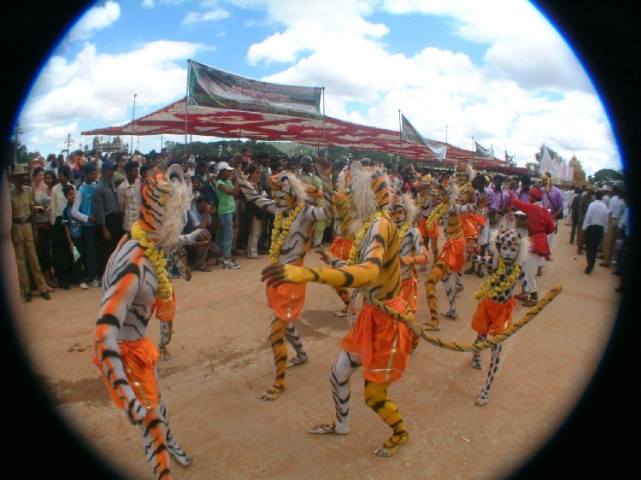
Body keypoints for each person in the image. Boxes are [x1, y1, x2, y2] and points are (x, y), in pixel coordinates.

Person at [261, 164, 414, 458]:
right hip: (370, 316)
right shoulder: (371, 225)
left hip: (386, 322)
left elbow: (368, 273)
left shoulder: (381, 225)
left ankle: (400, 432)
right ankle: (341, 424)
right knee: (337, 374)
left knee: (374, 396)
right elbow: (362, 268)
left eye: (350, 191)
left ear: (365, 196)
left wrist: (309, 274)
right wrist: (335, 262)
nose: (346, 197)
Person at [93, 163, 211, 480]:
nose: (184, 217)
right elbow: (104, 334)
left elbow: (163, 241)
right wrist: (128, 397)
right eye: (179, 213)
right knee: (152, 422)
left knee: (158, 403)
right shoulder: (133, 267)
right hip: (125, 355)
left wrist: (189, 238)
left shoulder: (146, 239)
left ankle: (170, 443)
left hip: (141, 347)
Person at [237, 157, 335, 401]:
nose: (278, 198)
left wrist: (325, 178)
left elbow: (330, 211)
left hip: (293, 277)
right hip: (276, 276)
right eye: (276, 193)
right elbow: (252, 196)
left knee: (275, 331)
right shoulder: (279, 211)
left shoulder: (306, 214)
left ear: (293, 194)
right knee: (284, 320)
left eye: (283, 193)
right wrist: (238, 172)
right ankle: (301, 354)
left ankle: (279, 383)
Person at [466, 228, 529, 406]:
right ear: (499, 247)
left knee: (497, 346)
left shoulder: (519, 269)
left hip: (503, 312)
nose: (508, 253)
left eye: (512, 249)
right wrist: (471, 255)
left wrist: (529, 293)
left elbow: (528, 288)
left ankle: (487, 388)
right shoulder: (495, 262)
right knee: (481, 335)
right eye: (505, 248)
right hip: (487, 306)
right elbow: (481, 259)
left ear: (518, 250)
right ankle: (476, 355)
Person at [422, 176, 488, 329]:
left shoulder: (452, 207)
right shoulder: (443, 205)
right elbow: (434, 190)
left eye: (441, 194)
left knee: (430, 282)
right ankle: (453, 310)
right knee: (445, 278)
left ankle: (434, 320)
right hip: (454, 246)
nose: (438, 196)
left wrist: (475, 206)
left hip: (455, 249)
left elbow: (463, 209)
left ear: (449, 196)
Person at [389, 191, 429, 353]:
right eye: (392, 213)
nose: (397, 216)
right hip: (391, 285)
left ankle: (414, 339)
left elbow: (425, 256)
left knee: (407, 319)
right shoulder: (387, 232)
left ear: (406, 213)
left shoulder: (413, 232)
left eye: (400, 212)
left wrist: (409, 261)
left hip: (406, 285)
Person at [9, 164, 51, 302]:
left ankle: (42, 288)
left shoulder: (28, 191)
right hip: (17, 226)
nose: (22, 179)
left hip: (28, 225)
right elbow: (10, 216)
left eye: (24, 176)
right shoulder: (10, 195)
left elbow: (32, 211)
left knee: (33, 258)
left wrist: (34, 229)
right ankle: (26, 289)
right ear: (14, 179)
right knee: (21, 260)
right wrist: (13, 233)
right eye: (19, 177)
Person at [507, 185, 555, 305]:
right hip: (539, 240)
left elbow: (516, 202)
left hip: (535, 243)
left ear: (532, 197)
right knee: (524, 267)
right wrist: (541, 233)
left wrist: (510, 193)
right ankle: (525, 292)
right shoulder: (544, 210)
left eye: (530, 196)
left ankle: (533, 297)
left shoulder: (532, 208)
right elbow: (551, 228)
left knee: (529, 271)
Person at [94, 161, 124, 276]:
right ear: (103, 171)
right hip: (107, 220)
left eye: (112, 170)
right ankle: (105, 274)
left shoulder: (112, 184)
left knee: (115, 247)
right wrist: (104, 228)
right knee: (106, 250)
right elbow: (100, 210)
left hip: (116, 218)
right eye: (109, 170)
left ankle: (115, 272)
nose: (111, 172)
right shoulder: (99, 188)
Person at [72, 162, 100, 286]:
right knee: (89, 252)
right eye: (93, 173)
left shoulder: (95, 186)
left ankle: (95, 274)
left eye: (96, 173)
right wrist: (87, 218)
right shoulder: (81, 191)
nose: (95, 176)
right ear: (86, 175)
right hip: (87, 226)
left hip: (97, 224)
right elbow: (74, 211)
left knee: (95, 251)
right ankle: (91, 275)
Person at [49, 165, 75, 290]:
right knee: (60, 253)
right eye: (58, 175)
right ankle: (62, 279)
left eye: (61, 175)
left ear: (66, 176)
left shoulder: (72, 188)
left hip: (70, 221)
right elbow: (53, 207)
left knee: (69, 251)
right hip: (59, 222)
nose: (59, 177)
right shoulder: (55, 189)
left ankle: (71, 276)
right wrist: (53, 223)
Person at [32, 166, 57, 289]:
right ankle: (43, 280)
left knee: (48, 251)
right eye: (39, 176)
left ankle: (48, 278)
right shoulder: (31, 189)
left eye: (43, 176)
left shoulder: (45, 187)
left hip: (46, 221)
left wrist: (46, 207)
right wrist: (37, 208)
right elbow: (30, 206)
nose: (42, 178)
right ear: (34, 176)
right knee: (40, 253)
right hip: (37, 223)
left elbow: (49, 202)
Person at [215, 161, 241, 269]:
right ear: (223, 172)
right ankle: (227, 258)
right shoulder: (220, 183)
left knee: (223, 234)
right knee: (228, 234)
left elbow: (236, 192)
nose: (230, 173)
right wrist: (238, 181)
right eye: (228, 171)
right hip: (225, 211)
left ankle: (223, 256)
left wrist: (237, 181)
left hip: (229, 210)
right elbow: (233, 192)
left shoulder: (227, 181)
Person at [538, 172, 564, 277]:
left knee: (546, 244)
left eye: (544, 179)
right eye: (542, 179)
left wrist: (551, 217)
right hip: (540, 221)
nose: (542, 181)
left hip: (550, 222)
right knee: (538, 241)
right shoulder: (541, 191)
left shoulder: (557, 192)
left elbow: (561, 208)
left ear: (549, 180)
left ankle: (540, 267)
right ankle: (536, 264)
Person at [61, 185, 88, 289]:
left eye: (73, 194)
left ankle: (85, 275)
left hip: (83, 234)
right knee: (77, 259)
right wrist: (70, 241)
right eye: (70, 194)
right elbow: (66, 227)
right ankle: (79, 279)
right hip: (74, 237)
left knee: (84, 256)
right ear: (65, 196)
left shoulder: (79, 206)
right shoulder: (66, 210)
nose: (72, 196)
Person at [581, 190, 608, 274]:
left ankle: (589, 266)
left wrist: (584, 227)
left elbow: (588, 217)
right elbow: (605, 220)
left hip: (591, 228)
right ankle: (592, 264)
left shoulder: (592, 205)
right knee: (595, 248)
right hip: (600, 229)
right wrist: (605, 230)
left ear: (596, 196)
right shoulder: (604, 207)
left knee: (589, 247)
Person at [600, 185, 624, 267]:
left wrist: (607, 222)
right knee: (614, 242)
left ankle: (606, 260)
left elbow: (609, 212)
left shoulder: (612, 200)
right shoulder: (622, 201)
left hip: (612, 220)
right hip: (619, 220)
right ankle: (611, 259)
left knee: (609, 241)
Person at [117, 159, 141, 235]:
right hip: (129, 223)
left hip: (139, 221)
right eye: (135, 171)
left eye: (137, 170)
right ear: (128, 172)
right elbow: (121, 206)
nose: (137, 173)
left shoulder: (138, 183)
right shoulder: (122, 188)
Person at [245, 163, 264, 259]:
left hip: (258, 207)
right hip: (252, 208)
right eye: (257, 172)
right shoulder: (249, 184)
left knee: (257, 231)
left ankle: (251, 251)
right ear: (251, 174)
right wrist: (260, 197)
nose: (258, 174)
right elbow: (248, 199)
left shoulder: (258, 182)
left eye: (259, 172)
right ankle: (252, 252)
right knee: (254, 231)